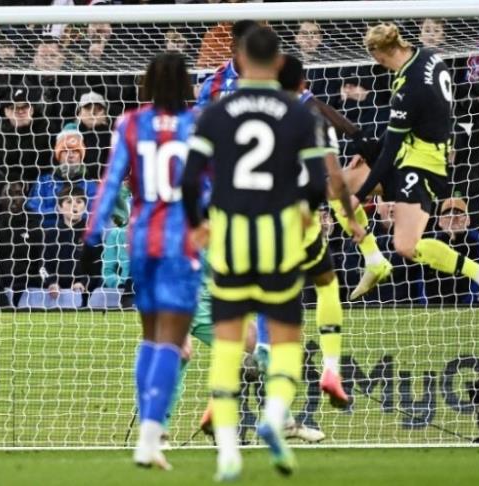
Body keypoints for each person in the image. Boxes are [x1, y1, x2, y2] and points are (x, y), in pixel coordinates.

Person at [182, 27, 327, 480]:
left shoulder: (215, 107)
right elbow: (318, 181)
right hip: (278, 233)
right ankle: (277, 417)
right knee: (281, 332)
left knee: (229, 339)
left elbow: (190, 178)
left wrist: (198, 224)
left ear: (239, 56)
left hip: (229, 232)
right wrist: (304, 214)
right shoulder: (299, 110)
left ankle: (228, 450)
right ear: (280, 61)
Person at [81, 52, 202, 470]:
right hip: (182, 242)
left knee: (150, 335)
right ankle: (150, 438)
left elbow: (111, 180)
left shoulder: (129, 123)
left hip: (141, 238)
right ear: (187, 85)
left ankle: (147, 434)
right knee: (173, 340)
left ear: (146, 85)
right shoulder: (197, 125)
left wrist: (92, 235)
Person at [341, 22, 479, 319]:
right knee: (335, 186)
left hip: (421, 164)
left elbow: (389, 153)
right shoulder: (429, 56)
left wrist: (361, 196)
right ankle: (374, 259)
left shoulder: (408, 89)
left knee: (405, 245)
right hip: (415, 152)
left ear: (379, 54)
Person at [278, 53, 365, 407]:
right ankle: (331, 368)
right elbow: (335, 180)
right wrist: (352, 219)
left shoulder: (249, 114)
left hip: (257, 223)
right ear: (303, 84)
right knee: (327, 286)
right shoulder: (315, 120)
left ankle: (220, 395)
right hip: (303, 222)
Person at [26, 123, 98, 228]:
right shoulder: (44, 181)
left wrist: (64, 213)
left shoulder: (90, 184)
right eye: (65, 151)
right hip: (47, 234)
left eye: (75, 151)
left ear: (81, 155)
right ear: (58, 155)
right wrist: (66, 212)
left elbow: (94, 213)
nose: (71, 155)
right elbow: (34, 209)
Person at [421, 196, 479, 304]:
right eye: (447, 214)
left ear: (468, 220)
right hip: (434, 308)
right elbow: (420, 280)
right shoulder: (431, 245)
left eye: (458, 213)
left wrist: (467, 303)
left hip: (468, 309)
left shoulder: (477, 243)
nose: (453, 217)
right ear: (440, 221)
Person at [0, 86, 52, 183]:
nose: (20, 111)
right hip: (3, 186)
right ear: (6, 111)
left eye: (25, 107)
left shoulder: (48, 131)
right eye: (13, 107)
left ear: (32, 110)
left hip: (39, 184)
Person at [42, 186, 95, 301]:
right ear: (59, 208)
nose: (74, 205)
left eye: (79, 201)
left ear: (85, 207)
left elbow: (97, 267)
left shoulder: (92, 234)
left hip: (85, 294)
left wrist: (83, 282)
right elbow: (42, 267)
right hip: (55, 295)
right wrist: (51, 283)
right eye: (69, 201)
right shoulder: (52, 234)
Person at [196, 19, 258, 107]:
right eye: (246, 49)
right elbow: (199, 117)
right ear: (233, 48)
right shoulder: (213, 84)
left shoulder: (268, 80)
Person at [74, 91, 111, 178]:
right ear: (79, 112)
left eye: (98, 109)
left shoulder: (112, 136)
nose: (93, 113)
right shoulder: (71, 133)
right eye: (88, 108)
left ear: (105, 113)